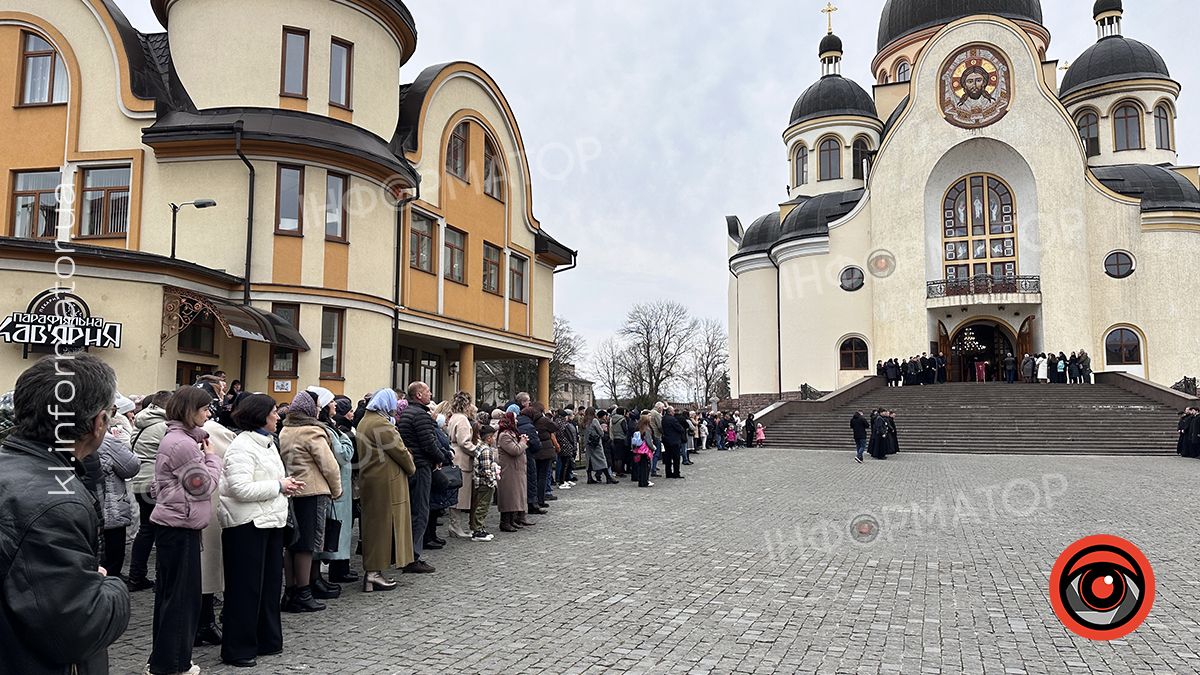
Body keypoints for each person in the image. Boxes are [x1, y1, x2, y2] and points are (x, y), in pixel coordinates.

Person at [0, 354, 131, 674]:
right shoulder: (57, 503)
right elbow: (78, 628)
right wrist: (111, 587)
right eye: (110, 415)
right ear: (99, 422)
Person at [147, 386, 224, 675]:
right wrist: (213, 459)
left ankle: (165, 660)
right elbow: (202, 485)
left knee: (172, 596)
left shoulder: (182, 439)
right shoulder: (182, 444)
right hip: (179, 524)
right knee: (181, 599)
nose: (208, 413)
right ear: (189, 411)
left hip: (176, 522)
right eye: (204, 409)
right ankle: (173, 664)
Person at [218, 393, 298, 667]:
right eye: (274, 412)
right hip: (246, 525)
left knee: (269, 585)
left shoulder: (267, 443)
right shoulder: (241, 446)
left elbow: (269, 478)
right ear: (261, 416)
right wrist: (279, 486)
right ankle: (238, 648)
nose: (278, 416)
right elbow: (239, 488)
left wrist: (284, 483)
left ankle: (267, 639)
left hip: (270, 521)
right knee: (245, 589)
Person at [278, 391, 343, 611]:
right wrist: (336, 490)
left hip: (291, 491)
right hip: (312, 491)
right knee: (306, 545)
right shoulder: (312, 432)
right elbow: (329, 465)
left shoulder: (286, 430)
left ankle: (290, 591)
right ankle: (304, 593)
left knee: (292, 545)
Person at [357, 388, 414, 590]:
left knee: (374, 526)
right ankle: (373, 573)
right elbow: (399, 451)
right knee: (381, 528)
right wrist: (411, 465)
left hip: (371, 479)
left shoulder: (365, 421)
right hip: (386, 481)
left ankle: (373, 572)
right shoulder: (381, 424)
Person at [127, 389, 172, 592]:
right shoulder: (164, 426)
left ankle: (136, 576)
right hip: (154, 482)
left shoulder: (141, 421)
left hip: (139, 480)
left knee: (146, 530)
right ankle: (160, 578)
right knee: (160, 531)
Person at [395, 381, 442, 574]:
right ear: (419, 395)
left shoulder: (406, 413)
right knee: (420, 511)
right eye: (427, 391)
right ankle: (412, 556)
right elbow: (428, 443)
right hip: (422, 466)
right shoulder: (420, 415)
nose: (430, 393)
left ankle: (406, 553)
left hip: (413, 464)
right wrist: (441, 457)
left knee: (412, 511)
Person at [94, 399, 141, 582]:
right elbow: (131, 466)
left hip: (89, 506)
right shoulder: (106, 441)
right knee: (113, 553)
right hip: (110, 504)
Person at [316, 395, 357, 586]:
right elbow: (343, 454)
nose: (334, 404)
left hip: (340, 483)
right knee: (338, 528)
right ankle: (338, 570)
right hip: (337, 484)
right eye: (331, 402)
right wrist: (348, 440)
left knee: (340, 527)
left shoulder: (331, 426)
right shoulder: (330, 430)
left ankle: (340, 568)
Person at [446, 392, 478, 540]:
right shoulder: (463, 420)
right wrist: (477, 451)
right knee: (459, 496)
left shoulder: (452, 418)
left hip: (454, 455)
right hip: (462, 459)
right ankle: (455, 526)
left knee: (456, 495)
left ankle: (455, 525)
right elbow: (464, 442)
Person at [496, 411, 532, 531]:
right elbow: (515, 450)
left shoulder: (511, 433)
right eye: (515, 419)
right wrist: (523, 442)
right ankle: (505, 522)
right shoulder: (504, 435)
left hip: (515, 469)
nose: (517, 421)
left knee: (515, 495)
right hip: (509, 469)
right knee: (509, 495)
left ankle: (512, 520)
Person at [470, 425, 500, 541]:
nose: (494, 439)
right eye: (493, 437)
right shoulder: (486, 450)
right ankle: (478, 530)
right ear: (488, 438)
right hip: (485, 483)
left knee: (480, 504)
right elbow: (486, 470)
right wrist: (492, 482)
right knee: (483, 506)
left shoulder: (479, 447)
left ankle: (479, 528)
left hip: (479, 481)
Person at [585, 408, 618, 484]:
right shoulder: (594, 421)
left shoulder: (585, 421)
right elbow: (601, 432)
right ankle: (608, 477)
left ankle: (589, 478)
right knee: (602, 460)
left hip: (588, 444)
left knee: (589, 461)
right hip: (596, 443)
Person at [661, 406, 687, 479]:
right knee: (676, 458)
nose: (674, 413)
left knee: (668, 457)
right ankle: (676, 473)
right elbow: (680, 428)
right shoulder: (672, 419)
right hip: (674, 440)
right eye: (673, 411)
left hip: (666, 440)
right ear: (670, 412)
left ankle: (668, 473)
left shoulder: (664, 419)